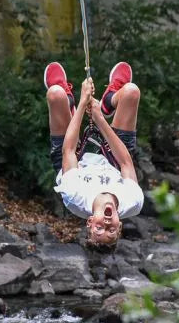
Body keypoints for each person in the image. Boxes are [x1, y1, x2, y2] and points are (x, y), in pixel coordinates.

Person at [44, 61, 144, 247]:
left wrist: (83, 103)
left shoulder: (75, 197)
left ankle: (69, 101)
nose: (106, 224)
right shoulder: (133, 202)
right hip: (114, 160)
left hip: (75, 156)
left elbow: (69, 150)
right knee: (131, 91)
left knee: (55, 95)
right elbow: (126, 164)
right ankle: (109, 101)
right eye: (111, 230)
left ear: (90, 222)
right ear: (119, 226)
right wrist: (99, 118)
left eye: (99, 229)